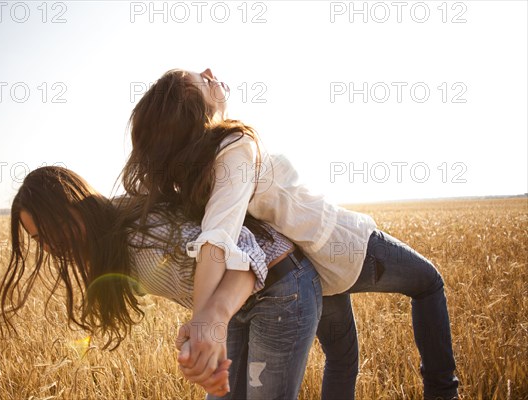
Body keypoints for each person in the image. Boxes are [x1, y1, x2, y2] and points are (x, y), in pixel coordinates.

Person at [122, 68, 460, 400]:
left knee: (341, 358)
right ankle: (444, 393)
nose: (210, 72)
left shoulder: (199, 172)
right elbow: (217, 238)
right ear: (194, 108)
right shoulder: (235, 144)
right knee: (429, 283)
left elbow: (215, 236)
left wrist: (201, 320)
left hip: (305, 270)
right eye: (202, 79)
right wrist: (203, 324)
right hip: (342, 246)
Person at [0, 166, 322, 399]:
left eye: (52, 230)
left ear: (72, 206)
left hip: (283, 286)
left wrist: (212, 317)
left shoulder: (143, 238)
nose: (50, 247)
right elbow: (197, 274)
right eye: (39, 240)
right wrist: (200, 320)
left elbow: (245, 250)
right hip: (240, 299)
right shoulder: (107, 243)